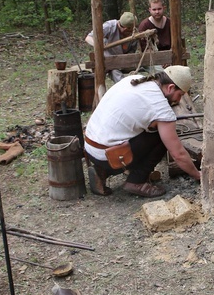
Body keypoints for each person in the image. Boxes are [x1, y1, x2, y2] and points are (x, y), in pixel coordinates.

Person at [84, 65, 201, 198]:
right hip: (108, 155)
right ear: (170, 87)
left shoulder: (137, 79)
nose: (178, 100)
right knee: (162, 139)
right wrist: (197, 174)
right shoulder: (160, 107)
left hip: (91, 148)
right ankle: (137, 181)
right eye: (179, 95)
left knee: (151, 133)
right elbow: (178, 154)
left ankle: (102, 171)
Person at [85, 12, 137, 83]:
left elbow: (132, 51)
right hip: (106, 58)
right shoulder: (109, 26)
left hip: (121, 61)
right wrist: (99, 46)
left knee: (115, 71)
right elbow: (89, 38)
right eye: (122, 27)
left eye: (129, 29)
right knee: (112, 72)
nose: (125, 31)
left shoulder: (135, 34)